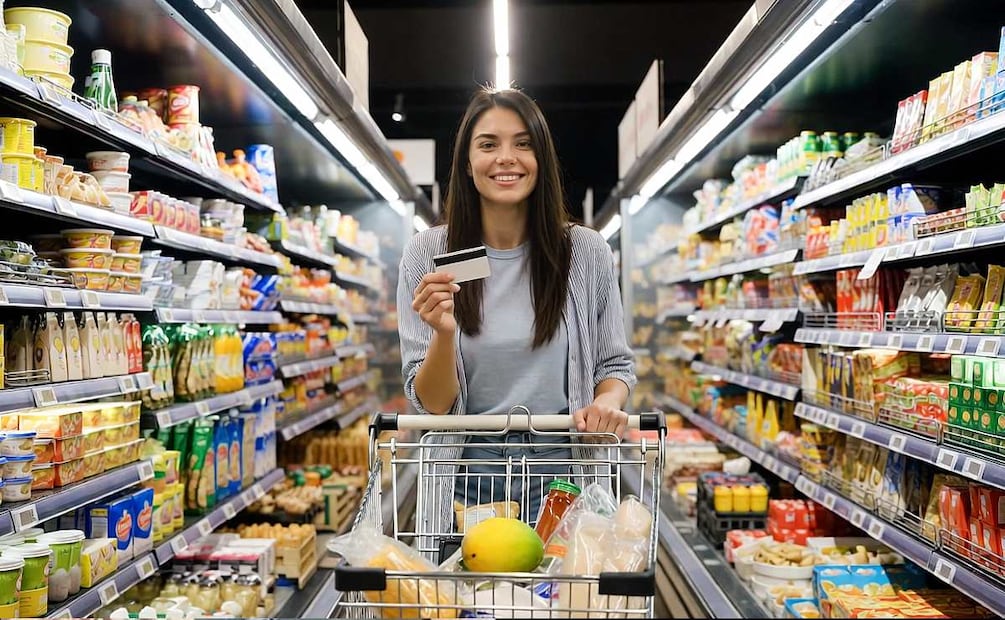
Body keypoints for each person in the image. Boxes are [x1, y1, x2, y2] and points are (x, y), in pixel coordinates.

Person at [397, 87, 635, 533]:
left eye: (523, 143)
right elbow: (430, 402)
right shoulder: (427, 253)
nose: (507, 157)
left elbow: (615, 363)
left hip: (566, 483)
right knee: (471, 604)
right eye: (488, 144)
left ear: (541, 159)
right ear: (467, 164)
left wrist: (606, 402)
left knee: (564, 602)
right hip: (466, 488)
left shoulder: (585, 252)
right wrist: (444, 334)